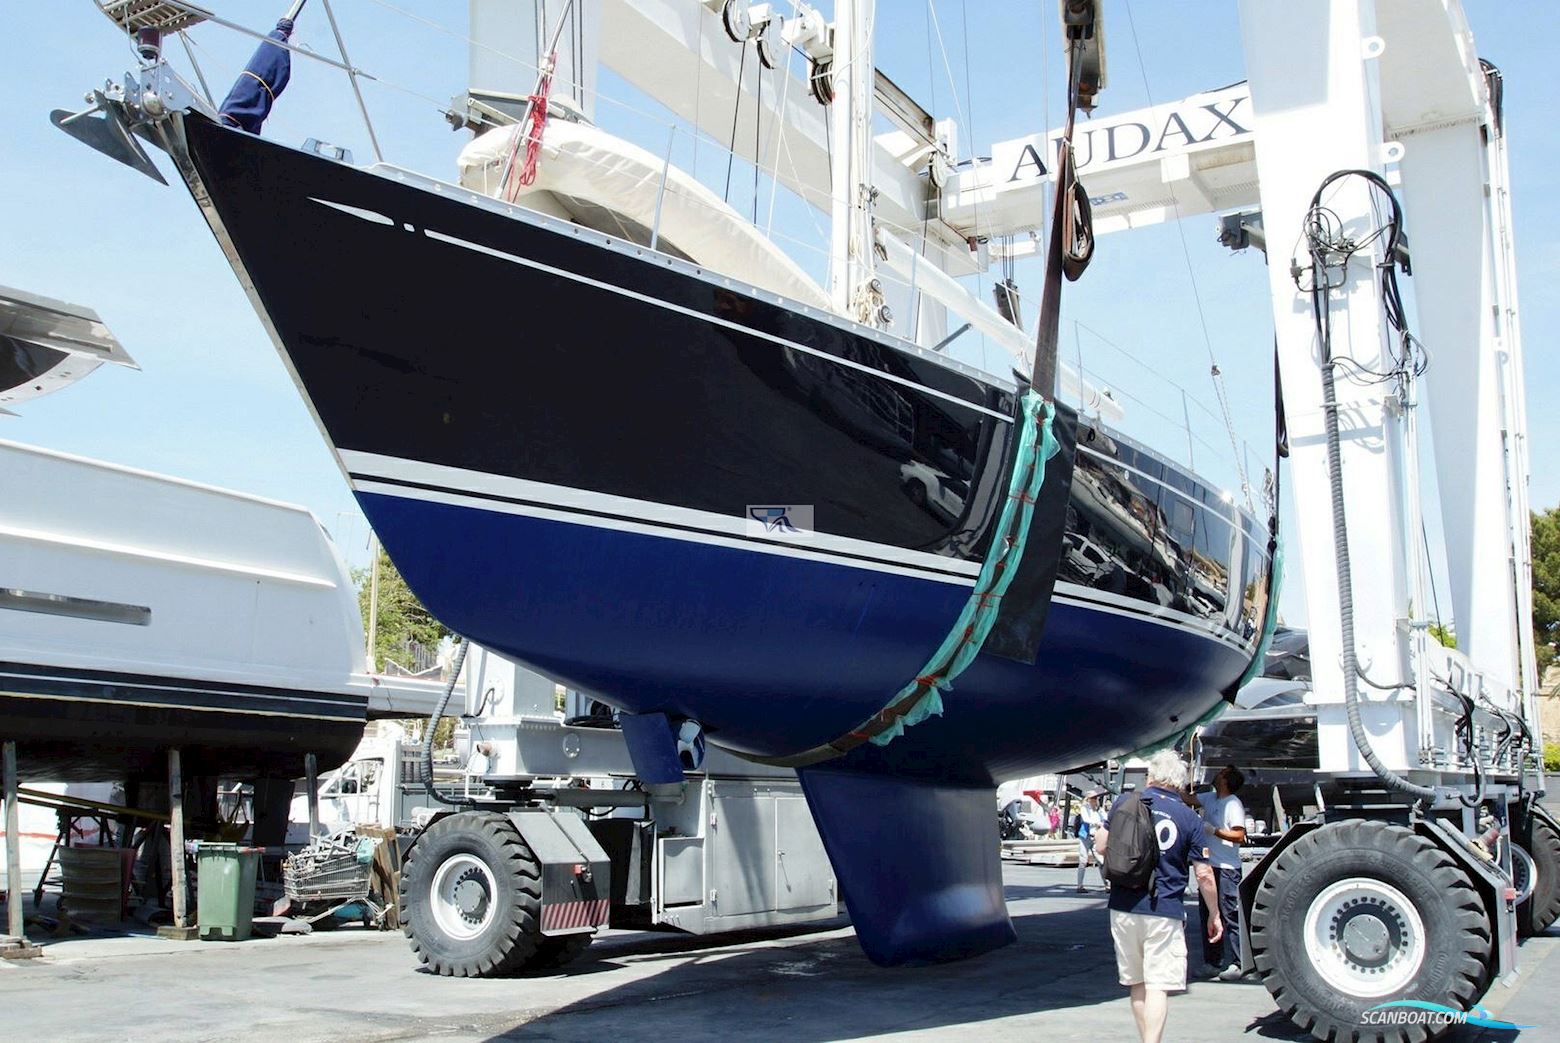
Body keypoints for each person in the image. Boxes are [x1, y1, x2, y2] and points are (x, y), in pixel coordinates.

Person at [1096, 750, 1223, 1043]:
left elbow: (1102, 846)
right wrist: (1214, 913)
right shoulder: (1189, 818)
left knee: (1137, 984)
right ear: (1179, 782)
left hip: (1124, 907)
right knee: (1158, 985)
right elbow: (1204, 875)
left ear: (1151, 776)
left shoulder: (1124, 803)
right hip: (1163, 909)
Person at [1197, 766, 1248, 981]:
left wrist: (1215, 831)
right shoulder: (1211, 798)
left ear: (1225, 780)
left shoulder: (1232, 804)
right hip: (1210, 867)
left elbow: (1239, 834)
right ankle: (1213, 961)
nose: (1216, 774)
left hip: (1227, 869)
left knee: (1230, 916)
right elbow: (1189, 799)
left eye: (1221, 773)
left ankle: (1239, 963)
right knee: (1208, 915)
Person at [1076, 790, 1106, 892]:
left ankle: (1107, 885)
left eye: (1096, 798)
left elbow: (1105, 819)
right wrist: (1097, 823)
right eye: (1093, 798)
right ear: (1088, 799)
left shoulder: (1099, 810)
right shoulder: (1085, 808)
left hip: (1095, 837)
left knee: (1101, 861)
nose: (1095, 800)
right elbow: (1086, 819)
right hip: (1085, 836)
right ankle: (1079, 886)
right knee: (1083, 860)